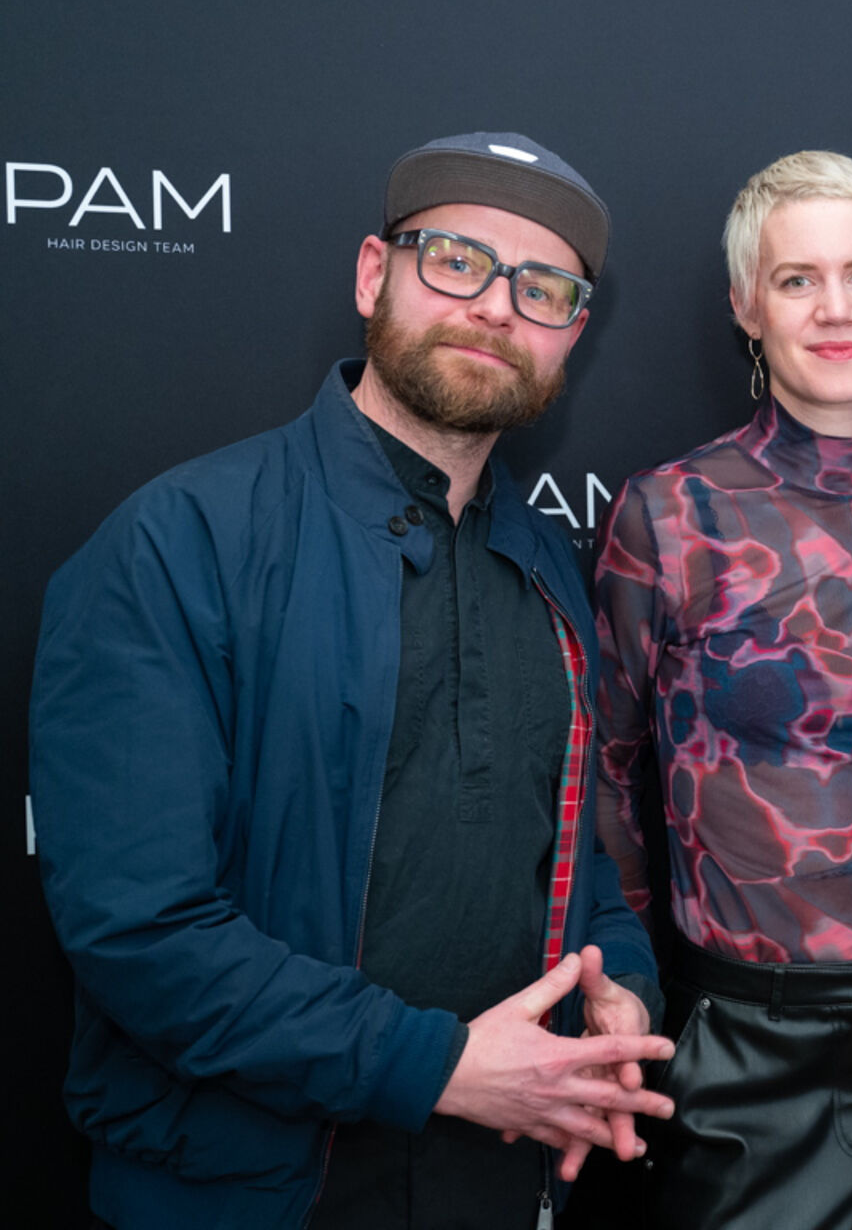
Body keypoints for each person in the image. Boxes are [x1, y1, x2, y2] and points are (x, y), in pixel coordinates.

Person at [30, 131, 674, 1230]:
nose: (496, 307)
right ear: (375, 273)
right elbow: (141, 928)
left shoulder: (547, 567)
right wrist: (434, 1065)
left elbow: (571, 858)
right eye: (457, 261)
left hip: (497, 1180)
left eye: (543, 289)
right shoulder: (180, 541)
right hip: (249, 1193)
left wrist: (619, 982)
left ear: (572, 334)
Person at [593, 149, 852, 1228]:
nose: (836, 308)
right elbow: (607, 773)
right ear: (747, 305)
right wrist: (629, 985)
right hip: (742, 1045)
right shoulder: (670, 514)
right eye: (797, 279)